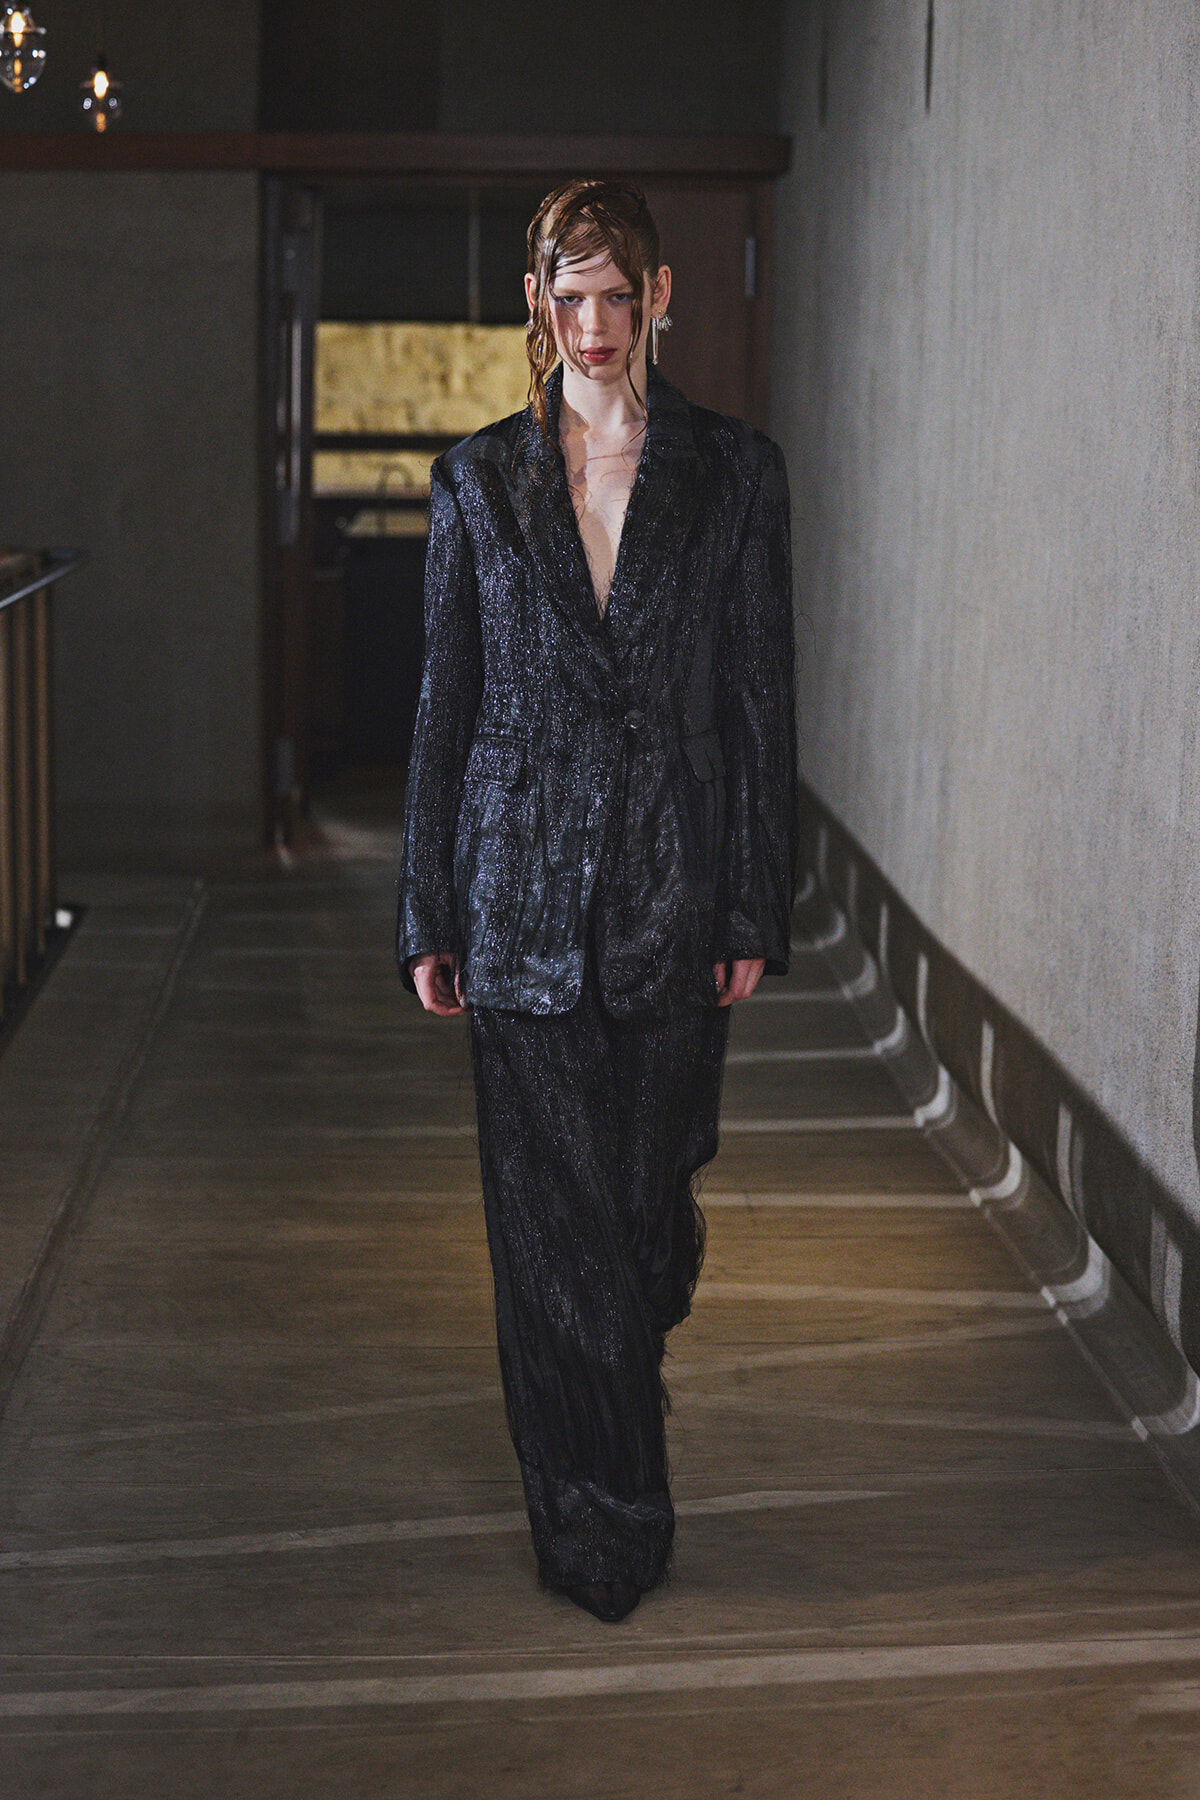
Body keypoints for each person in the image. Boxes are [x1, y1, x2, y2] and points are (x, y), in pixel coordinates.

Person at [397, 179, 798, 1623]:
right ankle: (604, 1521)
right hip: (513, 899)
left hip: (673, 888)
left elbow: (758, 700)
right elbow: (445, 706)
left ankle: (621, 1380)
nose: (595, 324)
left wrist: (754, 903)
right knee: (548, 1232)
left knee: (639, 1222)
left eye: (619, 295)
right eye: (569, 297)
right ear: (537, 306)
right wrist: (427, 911)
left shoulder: (735, 476)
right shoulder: (476, 484)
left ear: (662, 295)